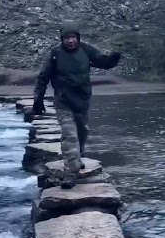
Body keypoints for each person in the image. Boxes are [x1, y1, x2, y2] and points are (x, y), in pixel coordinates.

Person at [32, 24, 122, 188]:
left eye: (73, 37)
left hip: (82, 100)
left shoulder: (86, 49)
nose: (70, 41)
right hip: (63, 101)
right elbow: (43, 77)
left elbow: (103, 61)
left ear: (78, 38)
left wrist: (113, 59)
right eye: (67, 38)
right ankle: (70, 172)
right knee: (70, 135)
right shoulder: (55, 53)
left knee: (82, 131)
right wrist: (38, 99)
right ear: (62, 39)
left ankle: (77, 157)